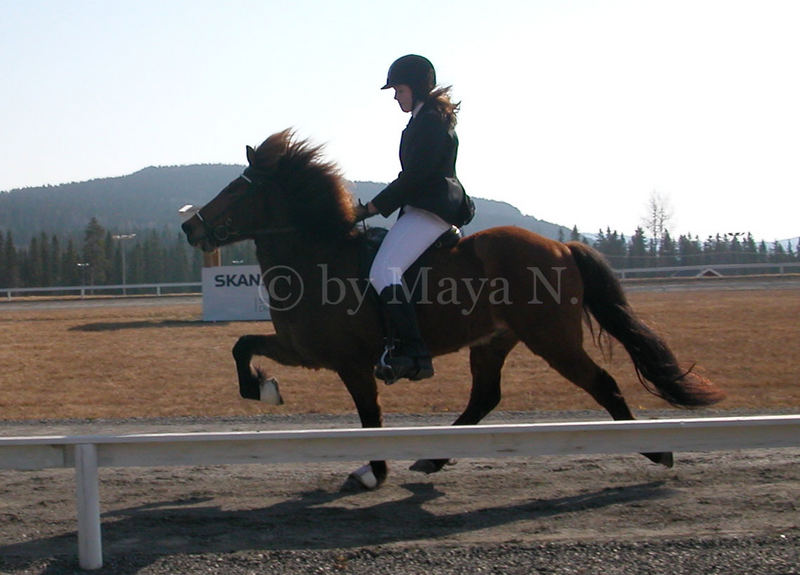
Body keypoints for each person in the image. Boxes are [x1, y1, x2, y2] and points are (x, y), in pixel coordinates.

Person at [355, 54, 473, 384]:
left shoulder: (430, 121)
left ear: (417, 88)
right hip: (421, 209)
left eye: (399, 89)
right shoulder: (424, 118)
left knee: (383, 270)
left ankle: (413, 352)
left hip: (431, 210)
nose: (395, 96)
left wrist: (371, 208)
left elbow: (415, 177)